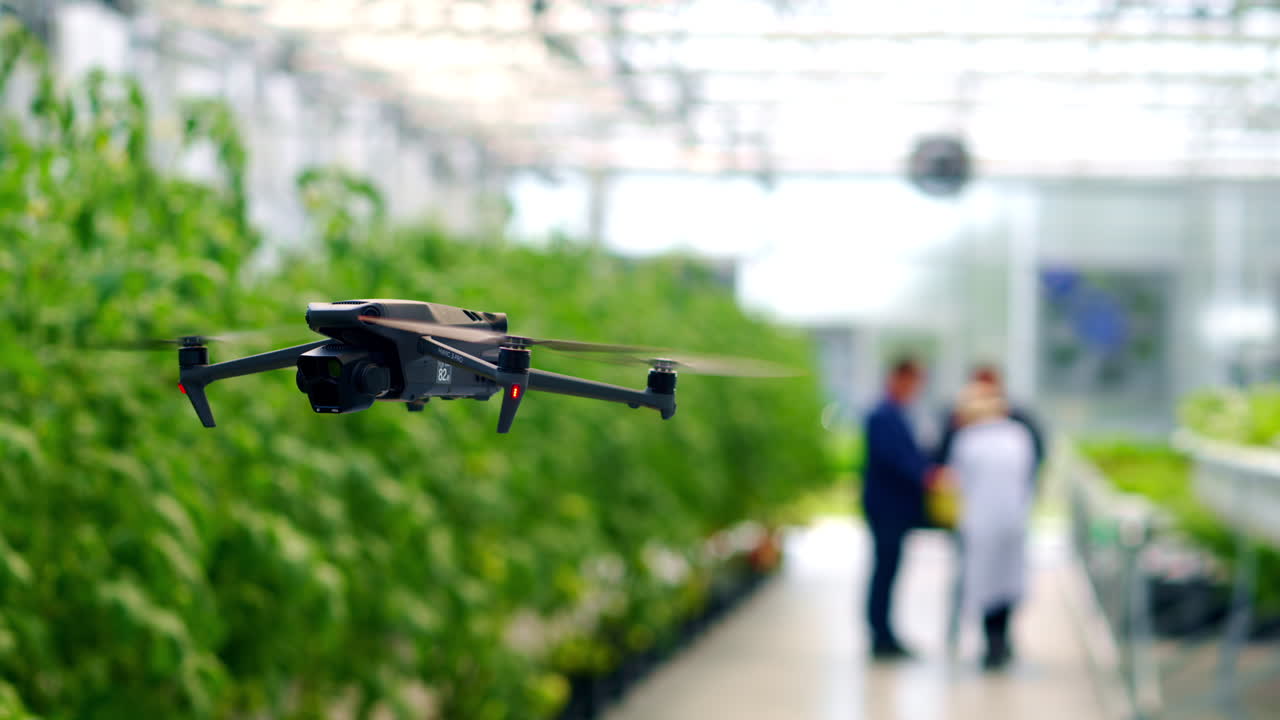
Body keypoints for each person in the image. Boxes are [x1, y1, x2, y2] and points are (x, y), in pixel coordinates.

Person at [948, 382, 1036, 670]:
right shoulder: (1019, 436)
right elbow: (1028, 476)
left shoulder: (968, 439)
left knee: (986, 582)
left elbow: (956, 481)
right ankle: (1002, 639)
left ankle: (993, 644)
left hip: (980, 522)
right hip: (1013, 518)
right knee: (1006, 582)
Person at [862, 357, 931, 660]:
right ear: (898, 379)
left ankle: (884, 631)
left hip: (895, 507)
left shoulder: (898, 414)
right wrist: (926, 474)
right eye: (912, 382)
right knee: (884, 570)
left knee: (889, 570)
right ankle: (880, 634)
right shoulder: (882, 415)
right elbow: (893, 458)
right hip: (886, 506)